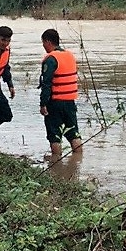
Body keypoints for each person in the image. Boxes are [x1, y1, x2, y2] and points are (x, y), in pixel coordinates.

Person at [39, 28, 82, 156]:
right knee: (74, 133)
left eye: (43, 43)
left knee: (54, 135)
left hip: (55, 102)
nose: (43, 46)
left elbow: (47, 84)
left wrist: (43, 104)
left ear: (48, 42)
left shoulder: (51, 59)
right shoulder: (70, 56)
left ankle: (56, 164)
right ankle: (78, 162)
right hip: (70, 101)